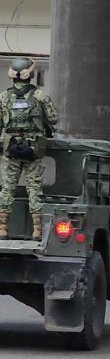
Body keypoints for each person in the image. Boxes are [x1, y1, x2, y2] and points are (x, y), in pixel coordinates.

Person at [0, 57, 58, 240]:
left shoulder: (3, 96)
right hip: (33, 149)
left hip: (11, 149)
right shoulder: (39, 96)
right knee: (34, 189)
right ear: (29, 75)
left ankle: (2, 229)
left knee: (7, 189)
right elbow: (54, 118)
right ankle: (37, 230)